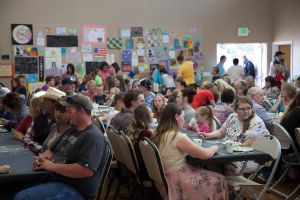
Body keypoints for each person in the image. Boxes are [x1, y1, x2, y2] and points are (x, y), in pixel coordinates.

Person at [14, 94, 108, 200]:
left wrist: (50, 166)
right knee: (11, 188)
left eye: (69, 112)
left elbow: (86, 170)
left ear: (81, 112)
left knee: (21, 197)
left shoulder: (93, 137)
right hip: (55, 178)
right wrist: (41, 159)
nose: (67, 116)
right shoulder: (70, 129)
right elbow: (50, 151)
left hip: (75, 190)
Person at [151, 104, 228, 199]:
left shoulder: (156, 133)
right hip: (175, 180)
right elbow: (205, 154)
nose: (184, 120)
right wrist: (215, 147)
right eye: (183, 117)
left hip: (162, 178)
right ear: (176, 117)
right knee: (220, 179)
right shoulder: (176, 136)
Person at [200, 96, 269, 175]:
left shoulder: (257, 123)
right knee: (208, 159)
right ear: (235, 110)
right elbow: (221, 132)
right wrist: (208, 135)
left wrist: (225, 148)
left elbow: (246, 145)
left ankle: (228, 185)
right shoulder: (233, 117)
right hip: (230, 154)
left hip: (248, 158)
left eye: (249, 108)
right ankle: (220, 183)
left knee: (217, 161)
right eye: (242, 109)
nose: (246, 111)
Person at [22, 87, 66, 154]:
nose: (42, 103)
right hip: (39, 155)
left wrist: (45, 152)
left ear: (55, 104)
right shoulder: (39, 117)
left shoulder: (63, 122)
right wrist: (41, 150)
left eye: (45, 101)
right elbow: (26, 139)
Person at [128, 103, 153, 180]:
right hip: (147, 172)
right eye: (151, 112)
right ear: (146, 117)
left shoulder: (136, 131)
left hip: (138, 169)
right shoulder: (147, 134)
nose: (153, 114)